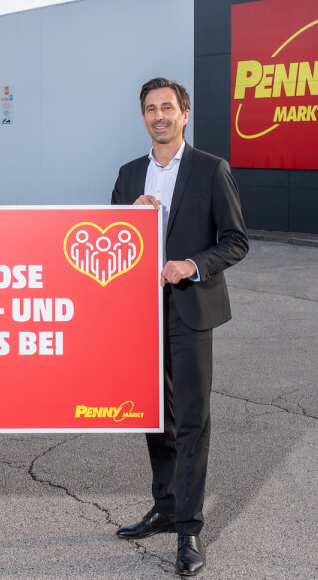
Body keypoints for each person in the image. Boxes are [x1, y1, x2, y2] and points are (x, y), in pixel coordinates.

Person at [110, 78, 248, 577]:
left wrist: (191, 264)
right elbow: (108, 240)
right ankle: (164, 506)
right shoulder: (129, 176)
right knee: (151, 415)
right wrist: (128, 217)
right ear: (143, 117)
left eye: (167, 107)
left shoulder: (212, 170)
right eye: (150, 109)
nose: (159, 116)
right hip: (141, 314)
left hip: (191, 310)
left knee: (191, 419)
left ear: (184, 114)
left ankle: (188, 530)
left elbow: (236, 241)